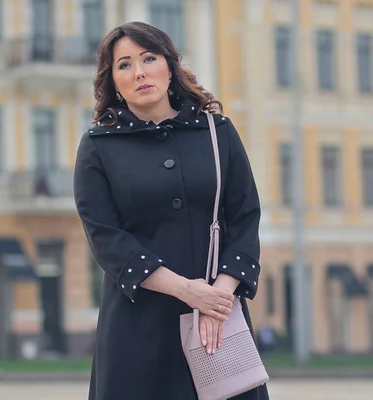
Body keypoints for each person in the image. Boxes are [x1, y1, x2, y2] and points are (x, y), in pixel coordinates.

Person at [74, 22, 269, 400]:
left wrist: (218, 296)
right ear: (113, 80)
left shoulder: (218, 132)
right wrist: (187, 291)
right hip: (138, 326)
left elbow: (245, 216)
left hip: (216, 320)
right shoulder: (99, 146)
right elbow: (105, 238)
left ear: (170, 65)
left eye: (149, 58)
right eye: (125, 65)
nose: (140, 72)